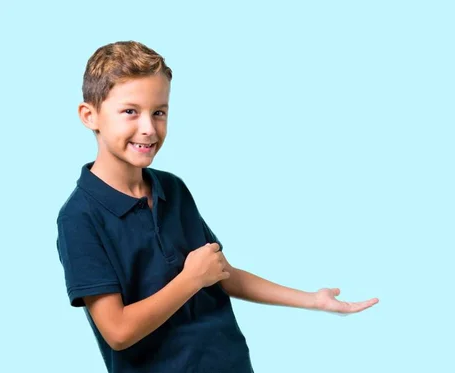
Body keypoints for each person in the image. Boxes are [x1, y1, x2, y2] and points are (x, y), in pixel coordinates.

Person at [56, 40, 378, 373]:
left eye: (159, 112)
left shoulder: (172, 188)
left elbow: (221, 274)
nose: (149, 128)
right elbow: (118, 332)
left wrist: (313, 299)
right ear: (89, 115)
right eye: (130, 112)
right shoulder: (79, 218)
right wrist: (190, 280)